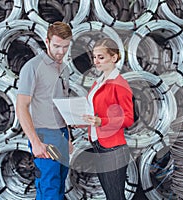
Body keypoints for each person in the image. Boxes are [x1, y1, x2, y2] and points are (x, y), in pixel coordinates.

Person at [16, 21, 73, 200]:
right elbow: (21, 106)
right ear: (46, 42)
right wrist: (35, 142)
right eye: (56, 46)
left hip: (61, 135)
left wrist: (68, 136)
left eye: (65, 47)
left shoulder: (64, 68)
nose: (61, 52)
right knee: (49, 187)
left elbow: (61, 105)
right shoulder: (33, 68)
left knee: (60, 184)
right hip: (45, 137)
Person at [83, 38, 134, 200]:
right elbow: (94, 110)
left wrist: (101, 122)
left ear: (114, 57)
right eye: (94, 57)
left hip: (113, 149)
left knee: (115, 197)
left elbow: (128, 119)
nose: (96, 61)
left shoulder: (120, 84)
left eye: (101, 57)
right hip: (98, 144)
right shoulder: (97, 83)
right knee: (110, 195)